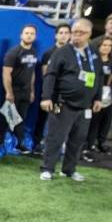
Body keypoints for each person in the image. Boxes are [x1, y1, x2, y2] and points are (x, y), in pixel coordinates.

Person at [40, 19, 103, 181]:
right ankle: (48, 168)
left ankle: (69, 169)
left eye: (80, 33)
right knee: (56, 138)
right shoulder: (62, 52)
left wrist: (98, 98)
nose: (76, 36)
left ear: (89, 34)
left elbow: (99, 77)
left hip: (85, 106)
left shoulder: (94, 53)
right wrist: (47, 97)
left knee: (78, 139)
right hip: (63, 103)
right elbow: (50, 75)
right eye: (74, 32)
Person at [0, 24, 38, 153]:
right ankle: (1, 140)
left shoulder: (33, 52)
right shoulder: (13, 52)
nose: (29, 35)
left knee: (21, 118)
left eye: (32, 33)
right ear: (21, 35)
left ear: (35, 36)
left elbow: (32, 73)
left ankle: (18, 143)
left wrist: (32, 90)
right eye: (26, 33)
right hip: (14, 91)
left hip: (26, 92)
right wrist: (9, 92)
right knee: (8, 117)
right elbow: (6, 73)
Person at [34, 23, 71, 153]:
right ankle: (38, 142)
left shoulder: (73, 54)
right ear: (56, 35)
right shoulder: (48, 53)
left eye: (66, 33)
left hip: (64, 95)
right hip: (49, 93)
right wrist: (47, 94)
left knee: (59, 118)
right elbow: (45, 75)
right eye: (61, 33)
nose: (63, 35)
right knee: (43, 117)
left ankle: (57, 144)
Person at [82, 37, 112, 156]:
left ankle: (91, 145)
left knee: (98, 121)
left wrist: (105, 89)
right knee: (87, 121)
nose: (107, 48)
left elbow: (111, 75)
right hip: (90, 93)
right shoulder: (92, 60)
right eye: (104, 45)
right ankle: (83, 145)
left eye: (109, 45)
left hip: (104, 94)